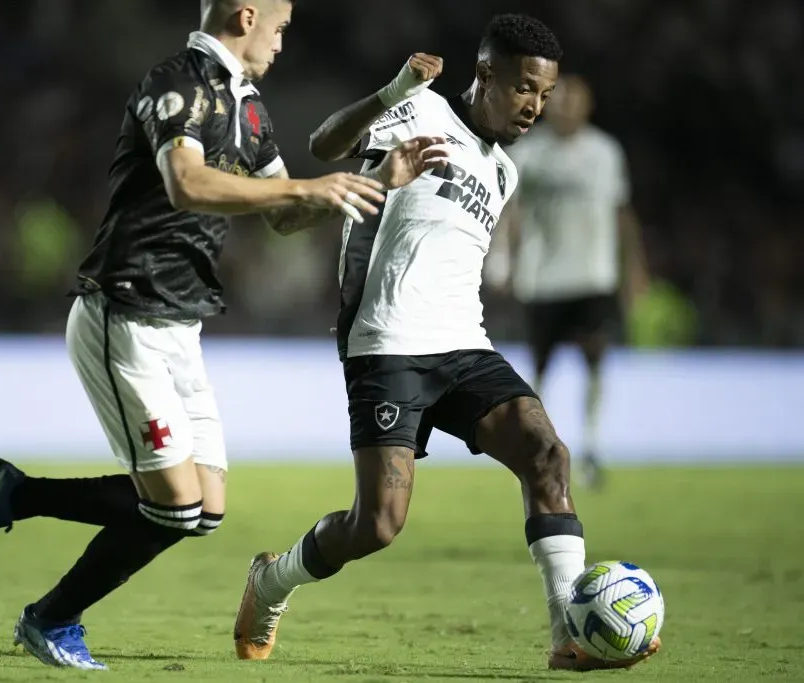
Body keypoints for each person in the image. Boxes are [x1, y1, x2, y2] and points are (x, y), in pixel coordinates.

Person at [0, 0, 446, 671]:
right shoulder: (175, 83)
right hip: (123, 310)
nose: (282, 40)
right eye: (280, 26)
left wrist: (371, 181)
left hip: (180, 323)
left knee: (204, 508)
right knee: (175, 506)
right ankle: (51, 616)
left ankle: (16, 492)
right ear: (245, 16)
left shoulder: (250, 106)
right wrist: (307, 185)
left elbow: (285, 217)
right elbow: (185, 183)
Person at [232, 14, 660, 672]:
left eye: (543, 96)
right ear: (486, 74)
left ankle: (567, 633)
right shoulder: (421, 108)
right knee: (376, 525)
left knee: (547, 454)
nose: (534, 108)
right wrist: (391, 91)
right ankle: (272, 580)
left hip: (464, 343)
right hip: (387, 344)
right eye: (524, 88)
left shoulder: (504, 171)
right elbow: (323, 144)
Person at [500, 74, 649, 489]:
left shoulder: (605, 152)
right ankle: (535, 451)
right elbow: (511, 216)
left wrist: (634, 270)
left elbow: (621, 213)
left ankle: (592, 449)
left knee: (595, 364)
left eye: (572, 101)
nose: (565, 108)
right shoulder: (529, 154)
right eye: (557, 101)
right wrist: (501, 261)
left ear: (587, 106)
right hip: (543, 278)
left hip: (592, 277)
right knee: (540, 372)